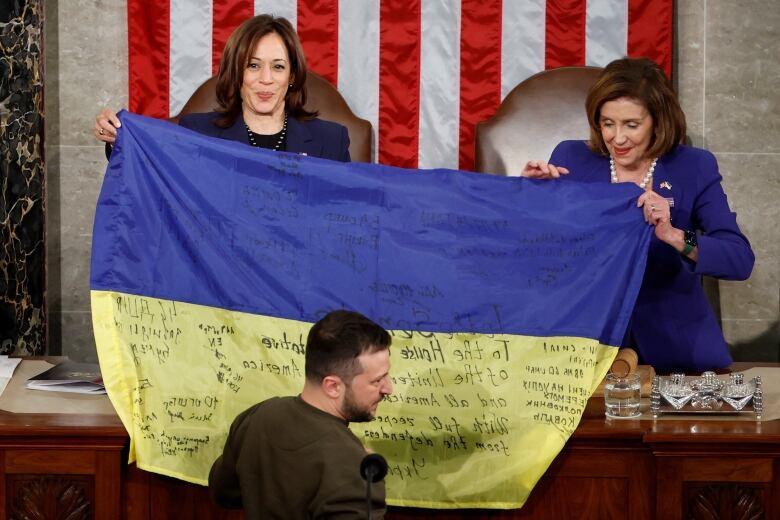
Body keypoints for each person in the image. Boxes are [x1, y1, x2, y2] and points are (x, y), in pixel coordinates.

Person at [522, 57, 754, 373]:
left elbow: (739, 260)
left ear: (659, 120)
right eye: (607, 123)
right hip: (583, 344)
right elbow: (537, 253)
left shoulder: (694, 167)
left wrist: (675, 236)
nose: (617, 138)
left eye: (631, 125)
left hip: (676, 350)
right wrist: (530, 198)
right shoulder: (570, 158)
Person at [208, 309, 393, 519]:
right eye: (377, 380)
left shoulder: (256, 417)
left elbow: (223, 494)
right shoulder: (359, 471)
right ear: (332, 386)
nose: (388, 389)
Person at [94, 14, 350, 161]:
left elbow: (351, 216)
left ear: (292, 75)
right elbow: (156, 173)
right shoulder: (196, 132)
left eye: (278, 67)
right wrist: (120, 139)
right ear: (236, 73)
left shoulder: (332, 141)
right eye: (252, 65)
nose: (266, 79)